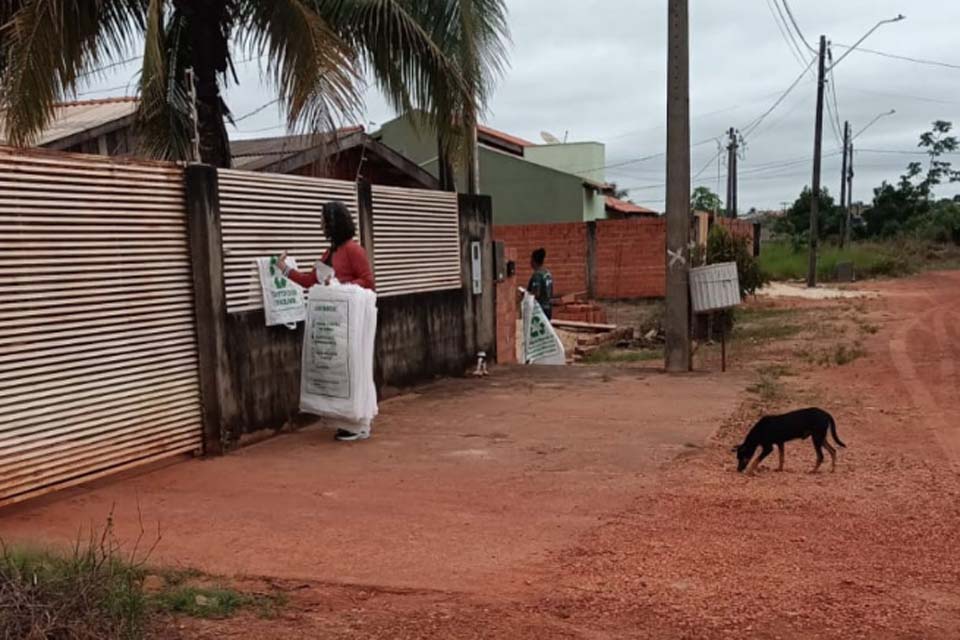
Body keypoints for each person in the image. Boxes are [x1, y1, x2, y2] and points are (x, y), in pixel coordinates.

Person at [277, 200, 376, 442]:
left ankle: (360, 424)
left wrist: (339, 287)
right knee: (339, 370)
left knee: (354, 369)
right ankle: (348, 421)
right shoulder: (330, 252)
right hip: (335, 324)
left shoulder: (354, 250)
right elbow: (312, 280)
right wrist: (285, 270)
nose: (321, 224)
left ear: (334, 222)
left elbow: (368, 282)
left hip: (351, 322)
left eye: (324, 220)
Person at [527, 248, 554, 320]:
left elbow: (536, 294)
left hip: (540, 309)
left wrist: (525, 294)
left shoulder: (537, 275)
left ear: (534, 261)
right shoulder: (547, 273)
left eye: (531, 259)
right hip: (548, 308)